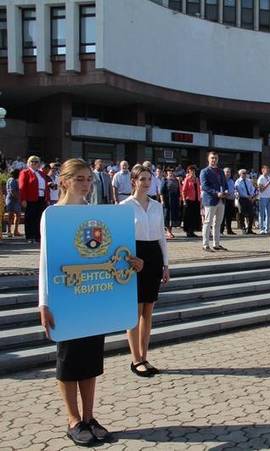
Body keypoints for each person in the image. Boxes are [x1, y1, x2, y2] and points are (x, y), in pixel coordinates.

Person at [39, 158, 142, 446]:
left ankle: (89, 416)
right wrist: (43, 303)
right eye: (79, 179)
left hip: (93, 297)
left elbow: (110, 254)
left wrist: (133, 262)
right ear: (64, 181)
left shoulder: (97, 215)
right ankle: (73, 420)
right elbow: (46, 262)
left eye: (88, 179)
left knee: (91, 361)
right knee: (69, 361)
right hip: (66, 298)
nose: (85, 184)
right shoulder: (53, 215)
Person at [121, 165, 170, 378]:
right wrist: (130, 259)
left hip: (153, 256)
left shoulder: (157, 206)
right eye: (142, 179)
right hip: (135, 256)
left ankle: (145, 356)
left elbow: (161, 237)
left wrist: (165, 264)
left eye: (149, 179)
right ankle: (136, 359)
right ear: (134, 181)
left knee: (148, 310)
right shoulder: (124, 206)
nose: (147, 182)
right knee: (135, 311)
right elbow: (120, 239)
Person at [199, 152, 228, 251]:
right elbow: (204, 186)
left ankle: (216, 244)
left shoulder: (220, 171)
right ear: (208, 159)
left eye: (215, 158)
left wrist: (226, 190)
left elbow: (225, 183)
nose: (213, 160)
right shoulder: (204, 171)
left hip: (221, 200)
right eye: (212, 158)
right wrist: (216, 193)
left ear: (218, 159)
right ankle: (205, 245)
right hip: (211, 200)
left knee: (218, 223)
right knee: (208, 222)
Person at [18, 155, 49, 243]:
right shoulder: (25, 172)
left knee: (39, 217)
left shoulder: (41, 173)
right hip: (31, 198)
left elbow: (46, 186)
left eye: (36, 162)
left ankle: (37, 236)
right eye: (32, 161)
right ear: (28, 163)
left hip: (41, 197)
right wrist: (23, 199)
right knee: (30, 218)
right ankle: (30, 236)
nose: (34, 163)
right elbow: (22, 187)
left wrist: (47, 198)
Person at [180, 165, 201, 238]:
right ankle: (188, 231)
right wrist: (184, 200)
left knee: (195, 216)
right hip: (189, 200)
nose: (192, 172)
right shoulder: (187, 179)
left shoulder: (197, 179)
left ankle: (192, 231)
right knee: (188, 216)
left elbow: (199, 190)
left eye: (193, 171)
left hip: (196, 200)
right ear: (188, 171)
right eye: (191, 171)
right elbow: (183, 191)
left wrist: (200, 199)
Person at [160, 168, 181, 239]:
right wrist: (162, 201)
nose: (171, 172)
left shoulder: (176, 181)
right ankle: (168, 232)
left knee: (172, 216)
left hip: (174, 200)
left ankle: (170, 231)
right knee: (167, 215)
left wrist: (179, 200)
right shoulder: (164, 180)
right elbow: (161, 192)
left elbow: (178, 192)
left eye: (172, 171)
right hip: (167, 200)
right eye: (169, 171)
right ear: (167, 172)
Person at [235, 169, 256, 235]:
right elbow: (240, 191)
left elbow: (252, 188)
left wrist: (252, 195)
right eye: (243, 173)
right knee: (242, 213)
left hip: (249, 199)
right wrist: (247, 196)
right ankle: (243, 228)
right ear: (240, 174)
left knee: (251, 214)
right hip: (242, 199)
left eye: (245, 173)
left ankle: (249, 229)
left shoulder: (249, 181)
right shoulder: (238, 182)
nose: (244, 174)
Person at [5, 169, 22, 237]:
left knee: (17, 215)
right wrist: (19, 198)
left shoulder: (12, 180)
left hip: (14, 200)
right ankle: (9, 231)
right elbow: (12, 191)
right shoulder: (12, 180)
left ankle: (15, 231)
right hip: (12, 200)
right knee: (11, 216)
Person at [257, 166, 270, 234]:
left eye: (268, 170)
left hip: (269, 197)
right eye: (266, 170)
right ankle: (262, 228)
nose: (268, 171)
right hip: (262, 197)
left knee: (269, 214)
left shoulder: (269, 177)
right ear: (262, 171)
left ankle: (267, 229)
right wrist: (267, 184)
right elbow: (261, 189)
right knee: (262, 213)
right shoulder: (261, 178)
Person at [220, 167, 237, 235]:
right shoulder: (221, 181)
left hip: (231, 200)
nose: (228, 173)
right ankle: (221, 231)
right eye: (226, 172)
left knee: (229, 216)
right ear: (223, 173)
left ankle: (229, 230)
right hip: (224, 199)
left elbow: (233, 190)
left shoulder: (231, 181)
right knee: (222, 216)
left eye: (229, 172)